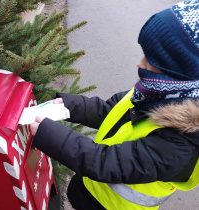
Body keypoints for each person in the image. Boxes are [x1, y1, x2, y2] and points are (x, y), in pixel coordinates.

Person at [30, 1, 199, 209]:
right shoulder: (158, 93)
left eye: (153, 60)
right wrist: (70, 106)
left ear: (182, 73)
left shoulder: (181, 145)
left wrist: (47, 133)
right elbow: (109, 110)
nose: (140, 63)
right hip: (89, 190)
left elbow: (109, 162)